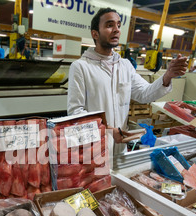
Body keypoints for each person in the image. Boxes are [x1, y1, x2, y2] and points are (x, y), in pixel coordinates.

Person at [67, 7, 188, 155]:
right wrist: (109, 131)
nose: (116, 29)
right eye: (109, 25)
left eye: (118, 25)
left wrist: (168, 75)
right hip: (94, 148)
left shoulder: (124, 65)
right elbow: (76, 113)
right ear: (95, 34)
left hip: (120, 149)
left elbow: (144, 94)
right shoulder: (81, 67)